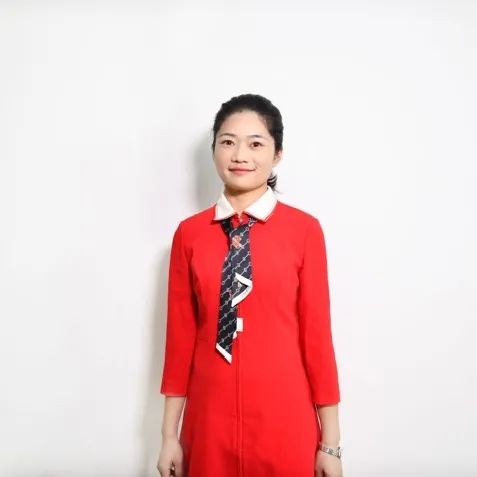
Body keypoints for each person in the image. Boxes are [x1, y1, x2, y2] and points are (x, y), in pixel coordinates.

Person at [157, 93, 343, 477]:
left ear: (277, 154)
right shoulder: (189, 235)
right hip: (208, 425)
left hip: (285, 422)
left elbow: (317, 339)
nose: (240, 155)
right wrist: (168, 435)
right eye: (228, 142)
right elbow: (179, 340)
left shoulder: (304, 231)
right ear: (214, 149)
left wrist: (331, 444)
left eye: (255, 144)